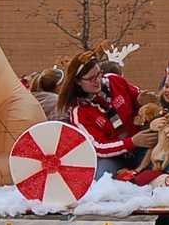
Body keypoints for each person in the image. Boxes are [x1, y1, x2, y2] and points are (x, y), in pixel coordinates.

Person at [60, 50, 157, 179]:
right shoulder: (79, 111)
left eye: (99, 74)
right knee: (102, 178)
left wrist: (146, 101)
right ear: (78, 82)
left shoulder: (114, 80)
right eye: (90, 79)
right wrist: (132, 142)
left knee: (159, 164)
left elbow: (137, 98)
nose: (97, 81)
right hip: (112, 156)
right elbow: (98, 146)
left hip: (140, 146)